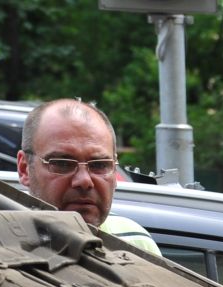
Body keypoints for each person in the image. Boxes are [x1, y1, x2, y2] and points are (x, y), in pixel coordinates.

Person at [14, 100, 161, 256]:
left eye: (99, 165)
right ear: (24, 169)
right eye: (63, 164)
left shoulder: (136, 243)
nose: (84, 181)